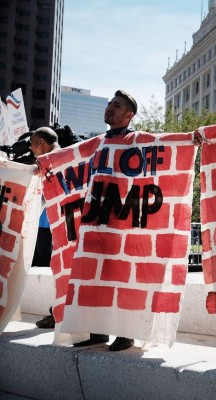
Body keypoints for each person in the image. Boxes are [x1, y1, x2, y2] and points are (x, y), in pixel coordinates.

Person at [71, 90, 137, 352]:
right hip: (95, 219)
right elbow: (67, 156)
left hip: (121, 220)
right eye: (109, 103)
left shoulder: (136, 140)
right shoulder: (97, 142)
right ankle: (97, 330)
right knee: (94, 274)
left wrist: (192, 139)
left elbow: (165, 142)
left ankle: (125, 332)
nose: (110, 108)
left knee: (119, 275)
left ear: (128, 115)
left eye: (117, 105)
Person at [28, 127, 61, 329]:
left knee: (60, 271)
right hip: (59, 226)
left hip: (57, 227)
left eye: (32, 145)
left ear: (41, 143)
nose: (32, 150)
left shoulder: (51, 161)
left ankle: (57, 313)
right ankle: (57, 312)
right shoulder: (63, 158)